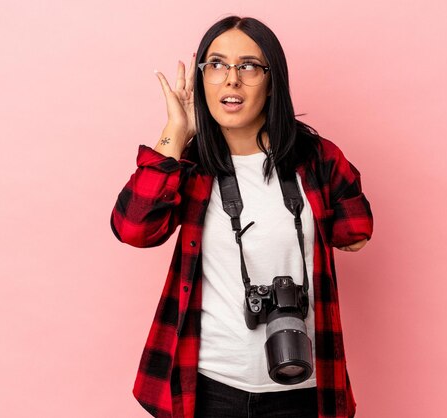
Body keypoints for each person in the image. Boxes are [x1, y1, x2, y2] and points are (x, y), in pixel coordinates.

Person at [110, 15, 373, 418]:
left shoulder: (316, 158)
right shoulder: (190, 164)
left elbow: (355, 234)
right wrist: (176, 132)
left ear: (272, 82)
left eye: (248, 66)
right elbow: (133, 229)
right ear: (202, 81)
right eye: (215, 65)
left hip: (304, 386)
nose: (230, 79)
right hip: (209, 384)